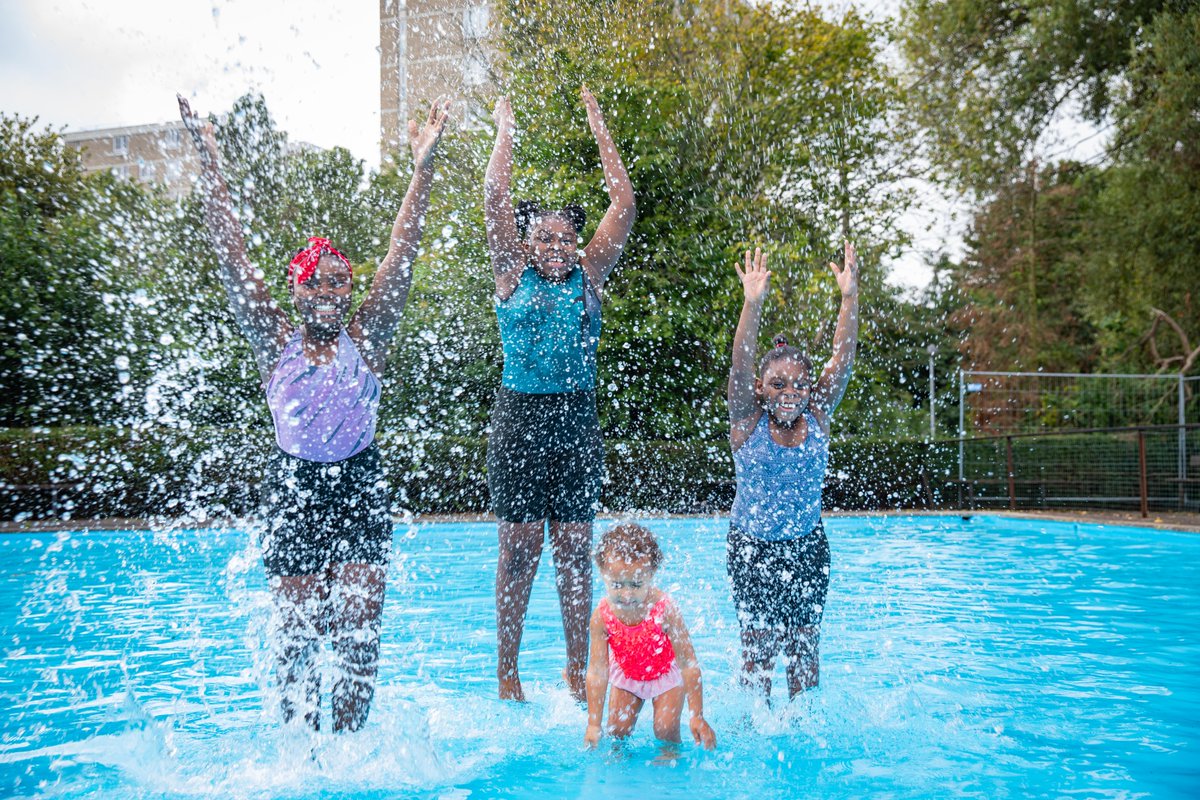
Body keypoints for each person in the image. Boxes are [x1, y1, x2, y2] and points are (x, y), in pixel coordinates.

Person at [177, 94, 449, 732]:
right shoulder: (274, 339)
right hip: (293, 488)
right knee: (297, 637)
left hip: (359, 481)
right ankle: (300, 750)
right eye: (315, 282)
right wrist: (209, 160)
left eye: (338, 282)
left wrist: (423, 169)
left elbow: (402, 252)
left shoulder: (368, 337)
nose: (328, 292)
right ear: (295, 288)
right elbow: (231, 256)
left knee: (358, 631)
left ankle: (350, 747)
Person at [483, 87, 636, 702]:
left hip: (576, 420)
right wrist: (505, 129)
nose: (555, 247)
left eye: (565, 238)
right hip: (519, 419)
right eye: (543, 238)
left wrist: (599, 126)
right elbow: (494, 196)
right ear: (526, 244)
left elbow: (624, 203)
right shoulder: (510, 272)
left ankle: (577, 668)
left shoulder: (589, 275)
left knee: (573, 547)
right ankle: (508, 670)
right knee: (520, 548)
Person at [726, 244, 859, 700]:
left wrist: (849, 297)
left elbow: (842, 359)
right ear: (760, 389)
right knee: (758, 651)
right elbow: (741, 362)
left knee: (804, 652)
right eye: (778, 384)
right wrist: (752, 303)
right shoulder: (747, 420)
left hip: (807, 548)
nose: (790, 392)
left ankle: (802, 727)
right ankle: (754, 725)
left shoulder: (818, 415)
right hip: (751, 549)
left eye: (800, 384)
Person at [584, 524, 716, 750]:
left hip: (665, 675)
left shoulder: (665, 609)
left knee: (665, 731)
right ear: (603, 575)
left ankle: (670, 759)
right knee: (617, 732)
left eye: (636, 585)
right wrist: (593, 724)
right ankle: (621, 770)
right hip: (628, 675)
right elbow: (597, 671)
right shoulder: (602, 617)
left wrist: (697, 715)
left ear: (651, 574)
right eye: (617, 585)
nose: (627, 595)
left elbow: (688, 663)